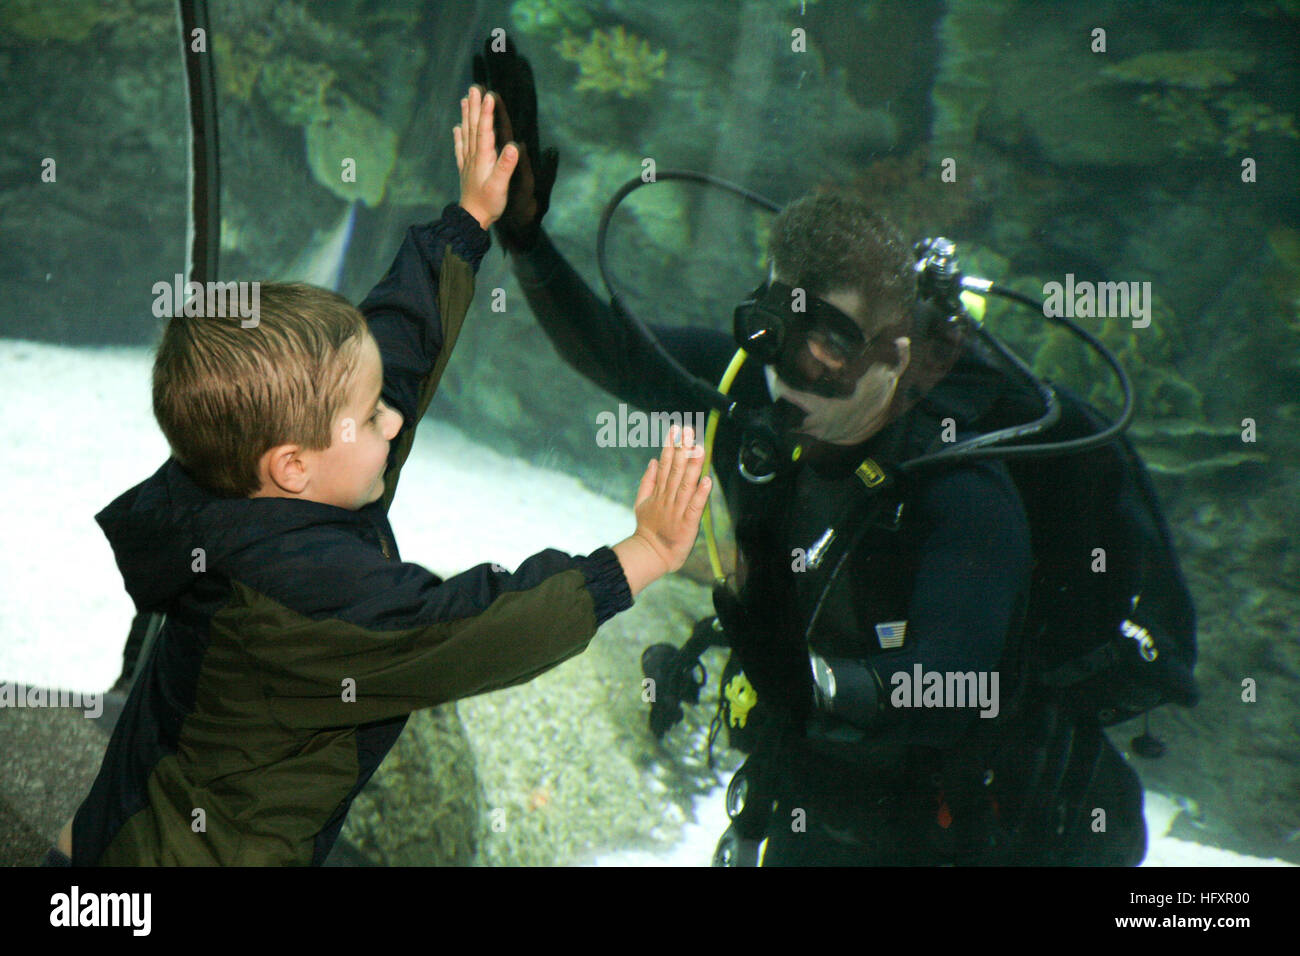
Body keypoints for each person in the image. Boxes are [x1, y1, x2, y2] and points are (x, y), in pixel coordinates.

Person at [478, 42, 1149, 866]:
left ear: (898, 359)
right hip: (811, 804)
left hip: (959, 837)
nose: (786, 373)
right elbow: (615, 353)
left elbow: (950, 685)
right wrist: (526, 240)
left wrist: (813, 683)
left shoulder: (961, 487)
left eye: (828, 347)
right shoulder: (758, 394)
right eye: (773, 326)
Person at [47, 85, 711, 866]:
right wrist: (642, 557)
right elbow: (473, 629)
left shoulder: (243, 475)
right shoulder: (303, 597)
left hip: (138, 812)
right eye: (367, 421)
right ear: (292, 466)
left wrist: (469, 220)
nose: (392, 422)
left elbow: (393, 347)